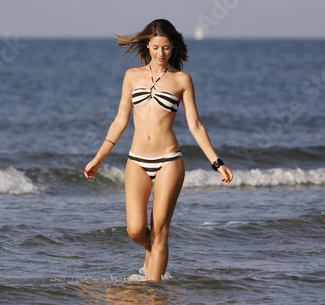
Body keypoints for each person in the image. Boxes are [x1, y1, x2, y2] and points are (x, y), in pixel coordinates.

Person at [84, 19, 233, 281]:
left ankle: (153, 291)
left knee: (160, 230)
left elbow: (195, 125)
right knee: (135, 230)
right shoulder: (132, 76)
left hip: (169, 160)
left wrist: (216, 162)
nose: (161, 53)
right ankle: (155, 254)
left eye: (166, 48)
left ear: (173, 47)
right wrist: (99, 157)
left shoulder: (182, 80)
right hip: (136, 160)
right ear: (147, 46)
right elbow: (120, 120)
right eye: (155, 47)